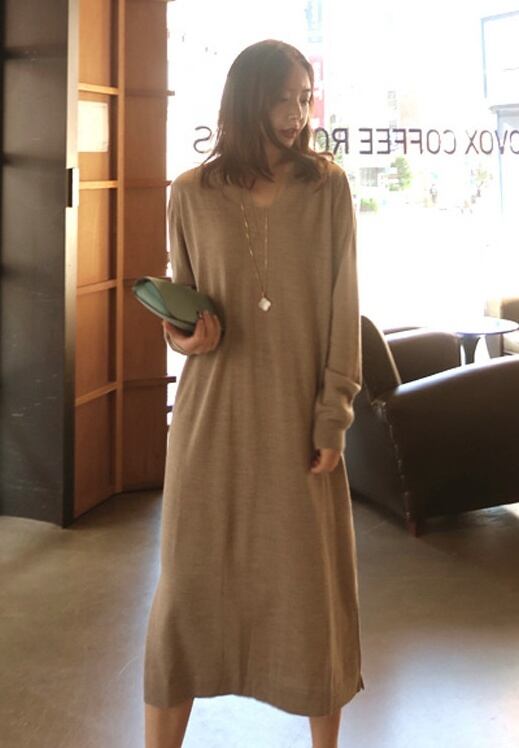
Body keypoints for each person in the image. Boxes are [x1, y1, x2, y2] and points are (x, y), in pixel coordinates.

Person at [143, 39, 364, 748]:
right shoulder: (189, 192)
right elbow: (182, 312)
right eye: (282, 98)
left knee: (310, 592)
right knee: (186, 595)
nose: (297, 113)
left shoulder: (327, 189)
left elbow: (344, 310)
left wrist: (332, 417)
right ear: (247, 98)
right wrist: (186, 340)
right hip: (210, 423)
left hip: (297, 422)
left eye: (304, 98)